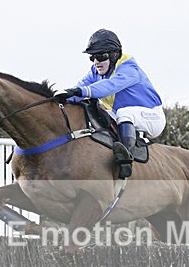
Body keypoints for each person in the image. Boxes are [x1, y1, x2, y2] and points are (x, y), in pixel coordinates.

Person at [54, 29, 165, 178]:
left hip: (152, 117)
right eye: (92, 57)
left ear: (114, 54)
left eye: (101, 56)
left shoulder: (129, 68)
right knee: (91, 109)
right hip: (121, 115)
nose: (96, 62)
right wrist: (63, 97)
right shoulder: (95, 71)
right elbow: (80, 88)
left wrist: (79, 92)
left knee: (124, 113)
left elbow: (108, 86)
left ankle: (126, 160)